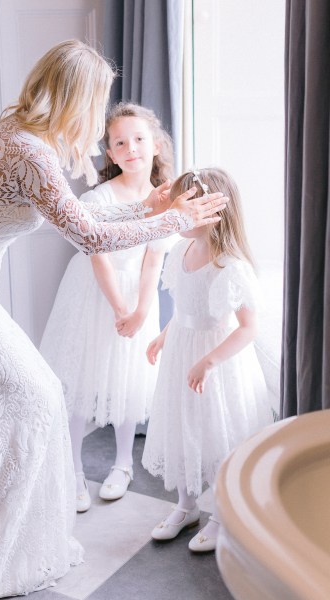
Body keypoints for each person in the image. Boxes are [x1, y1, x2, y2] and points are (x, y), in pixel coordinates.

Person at [0, 39, 228, 599]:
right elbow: (88, 233)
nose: (97, 123)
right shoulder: (29, 153)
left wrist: (154, 207)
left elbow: (85, 215)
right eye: (97, 105)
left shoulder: (14, 132)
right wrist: (172, 220)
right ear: (76, 97)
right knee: (39, 396)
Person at [40, 102, 175, 511]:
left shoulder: (164, 198)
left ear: (155, 145)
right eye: (120, 142)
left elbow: (154, 259)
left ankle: (122, 464)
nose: (131, 148)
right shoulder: (99, 197)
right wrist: (119, 307)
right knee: (83, 379)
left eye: (138, 139)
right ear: (111, 154)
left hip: (137, 296)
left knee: (128, 379)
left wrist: (139, 311)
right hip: (95, 294)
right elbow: (97, 254)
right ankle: (74, 469)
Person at [142, 168, 273, 553]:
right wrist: (164, 336)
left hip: (217, 360)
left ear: (212, 211)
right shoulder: (180, 251)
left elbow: (247, 328)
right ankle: (186, 505)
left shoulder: (230, 265)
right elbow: (185, 307)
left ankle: (220, 511)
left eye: (187, 204)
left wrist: (209, 362)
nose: (176, 211)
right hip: (182, 350)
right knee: (183, 425)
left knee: (218, 431)